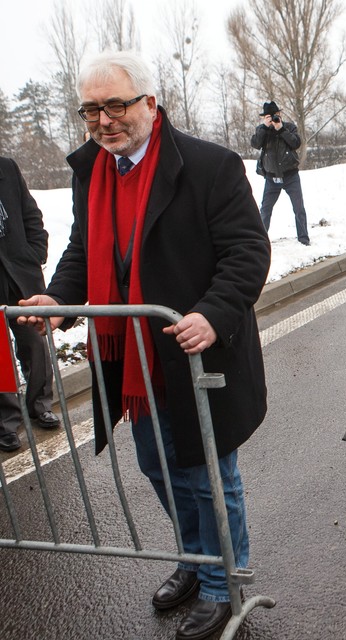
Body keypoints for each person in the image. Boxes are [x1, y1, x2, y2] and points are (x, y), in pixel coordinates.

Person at [18, 50, 271, 639]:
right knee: (159, 466)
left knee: (209, 473)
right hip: (131, 358)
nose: (104, 120)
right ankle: (194, 558)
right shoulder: (93, 172)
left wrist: (212, 314)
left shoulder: (211, 165)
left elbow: (246, 252)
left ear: (151, 104)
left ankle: (223, 583)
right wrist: (58, 300)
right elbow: (85, 250)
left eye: (116, 105)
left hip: (196, 352)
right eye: (91, 110)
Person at [0, 156, 61, 452]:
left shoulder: (6, 168)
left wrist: (35, 251)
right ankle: (6, 422)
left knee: (35, 343)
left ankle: (39, 405)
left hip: (20, 275)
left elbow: (30, 214)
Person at [251, 100, 310, 245]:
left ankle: (303, 239)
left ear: (279, 114)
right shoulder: (262, 130)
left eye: (276, 115)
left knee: (298, 208)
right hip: (271, 178)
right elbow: (255, 144)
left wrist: (281, 129)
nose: (274, 119)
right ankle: (261, 241)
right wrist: (265, 127)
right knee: (265, 209)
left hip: (291, 175)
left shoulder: (289, 127)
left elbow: (296, 143)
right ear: (265, 118)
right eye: (269, 117)